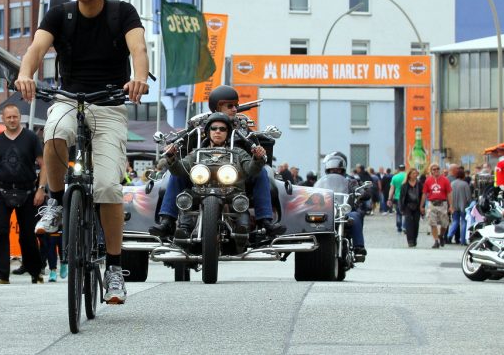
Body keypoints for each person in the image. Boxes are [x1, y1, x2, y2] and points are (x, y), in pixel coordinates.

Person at [16, 0, 149, 304]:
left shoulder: (123, 13)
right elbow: (36, 48)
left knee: (107, 186)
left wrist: (137, 78)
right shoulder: (61, 14)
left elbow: (139, 49)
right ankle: (58, 203)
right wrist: (25, 74)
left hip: (109, 104)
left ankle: (116, 270)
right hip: (69, 97)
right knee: (54, 129)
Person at [149, 85, 285, 238]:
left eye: (236, 105)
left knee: (263, 172)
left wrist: (258, 156)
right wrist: (172, 154)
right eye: (230, 106)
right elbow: (184, 154)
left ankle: (265, 221)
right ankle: (167, 220)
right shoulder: (199, 128)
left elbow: (255, 156)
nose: (235, 109)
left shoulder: (243, 127)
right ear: (217, 107)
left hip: (237, 177)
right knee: (174, 174)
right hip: (202, 177)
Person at [165, 113, 266, 239]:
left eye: (222, 129)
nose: (218, 131)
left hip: (232, 192)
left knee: (240, 201)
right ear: (208, 132)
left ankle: (242, 230)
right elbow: (181, 170)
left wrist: (257, 158)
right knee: (186, 197)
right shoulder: (197, 153)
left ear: (227, 133)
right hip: (200, 191)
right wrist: (171, 157)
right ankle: (184, 229)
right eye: (214, 128)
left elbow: (251, 169)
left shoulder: (238, 153)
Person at [0, 104, 48, 284]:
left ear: (20, 117)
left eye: (15, 117)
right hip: (3, 190)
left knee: (27, 234)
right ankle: (1, 275)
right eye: (8, 117)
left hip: (28, 191)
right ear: (2, 118)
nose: (12, 120)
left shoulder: (31, 138)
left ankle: (35, 272)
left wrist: (41, 189)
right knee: (0, 232)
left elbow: (44, 165)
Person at [314, 151, 367, 257]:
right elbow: (315, 191)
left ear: (342, 170)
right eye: (332, 170)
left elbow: (362, 191)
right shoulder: (322, 182)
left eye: (338, 170)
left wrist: (361, 193)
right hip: (327, 210)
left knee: (355, 216)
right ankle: (313, 244)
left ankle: (358, 247)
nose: (335, 171)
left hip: (345, 210)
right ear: (328, 170)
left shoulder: (351, 181)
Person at [420, 163, 454, 248]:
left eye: (437, 169)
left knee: (444, 224)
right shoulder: (428, 180)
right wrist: (422, 205)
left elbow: (449, 193)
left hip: (443, 204)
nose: (436, 171)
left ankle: (441, 236)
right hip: (432, 204)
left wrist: (451, 205)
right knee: (433, 223)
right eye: (434, 169)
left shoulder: (445, 180)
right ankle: (436, 241)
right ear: (431, 171)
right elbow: (424, 193)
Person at [399, 168, 423, 247]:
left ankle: (415, 238)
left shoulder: (419, 184)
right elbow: (401, 197)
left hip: (417, 205)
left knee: (416, 223)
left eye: (416, 173)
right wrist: (401, 207)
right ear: (409, 175)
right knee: (408, 223)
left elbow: (422, 195)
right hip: (407, 206)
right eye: (413, 173)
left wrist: (422, 206)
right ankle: (410, 240)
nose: (415, 175)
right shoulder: (404, 185)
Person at [447, 168, 471, 245]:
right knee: (463, 222)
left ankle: (449, 235)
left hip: (453, 205)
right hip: (463, 206)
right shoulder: (465, 184)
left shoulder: (452, 183)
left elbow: (449, 194)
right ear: (463, 175)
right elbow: (468, 197)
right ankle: (463, 240)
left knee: (455, 221)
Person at [387, 164, 407, 232]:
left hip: (398, 197)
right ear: (405, 169)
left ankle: (399, 226)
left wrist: (389, 199)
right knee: (407, 212)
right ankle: (405, 226)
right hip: (407, 197)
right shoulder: (407, 176)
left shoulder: (395, 177)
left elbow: (392, 189)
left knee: (398, 213)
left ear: (398, 169)